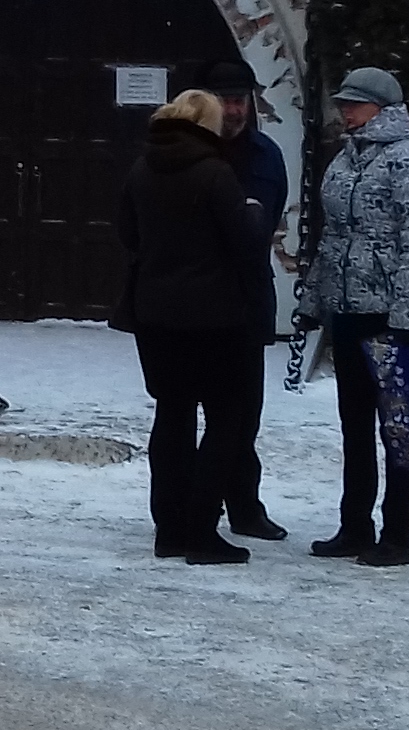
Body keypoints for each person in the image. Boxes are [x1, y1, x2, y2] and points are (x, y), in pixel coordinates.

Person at [114, 88, 274, 565]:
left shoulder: (142, 168)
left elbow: (127, 233)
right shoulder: (214, 172)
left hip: (155, 315)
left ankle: (170, 528)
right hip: (212, 316)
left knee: (172, 415)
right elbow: (244, 243)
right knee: (227, 420)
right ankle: (202, 530)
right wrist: (252, 215)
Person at [299, 65, 409, 568]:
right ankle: (354, 525)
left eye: (355, 104)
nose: (346, 111)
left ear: (383, 108)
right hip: (348, 309)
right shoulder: (345, 160)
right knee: (353, 425)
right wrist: (312, 299)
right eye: (344, 103)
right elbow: (332, 236)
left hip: (388, 315)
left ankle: (399, 534)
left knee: (399, 429)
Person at [202, 58, 286, 542]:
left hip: (246, 299)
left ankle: (244, 506)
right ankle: (200, 505)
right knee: (198, 410)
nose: (235, 110)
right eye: (226, 101)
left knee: (243, 411)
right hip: (196, 302)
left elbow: (262, 225)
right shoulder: (191, 153)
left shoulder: (264, 155)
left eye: (241, 100)